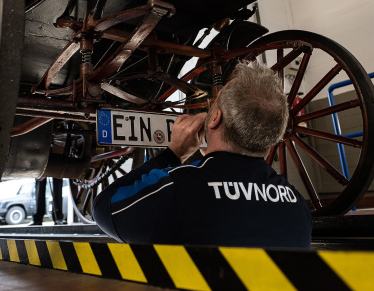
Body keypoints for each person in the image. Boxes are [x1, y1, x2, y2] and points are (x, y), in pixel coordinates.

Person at [92, 61, 312, 248]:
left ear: (214, 118)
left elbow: (104, 208)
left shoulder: (177, 188)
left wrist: (173, 154)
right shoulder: (297, 205)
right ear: (276, 134)